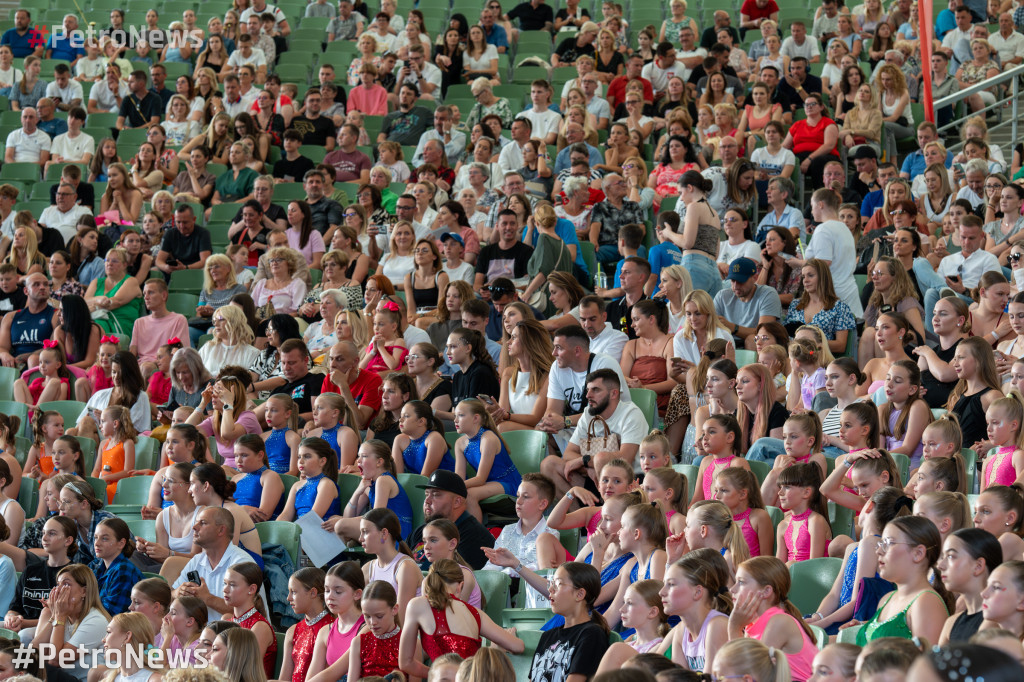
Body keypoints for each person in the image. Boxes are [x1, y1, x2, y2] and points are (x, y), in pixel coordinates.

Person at [171, 507, 257, 621]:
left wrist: (208, 598)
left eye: (203, 523)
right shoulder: (196, 560)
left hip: (238, 636)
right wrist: (178, 593)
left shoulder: (241, 562)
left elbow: (250, 612)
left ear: (221, 530)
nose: (194, 527)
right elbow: (172, 594)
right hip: (205, 636)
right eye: (196, 522)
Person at [406, 469, 495, 571]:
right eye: (426, 494)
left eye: (436, 495)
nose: (427, 501)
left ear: (457, 502)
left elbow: (456, 580)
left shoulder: (473, 536)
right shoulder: (420, 531)